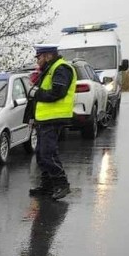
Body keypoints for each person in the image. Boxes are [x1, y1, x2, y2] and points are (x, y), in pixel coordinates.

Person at [27, 44, 75, 200]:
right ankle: (47, 185)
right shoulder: (50, 69)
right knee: (41, 154)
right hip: (45, 118)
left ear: (48, 55)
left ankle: (62, 184)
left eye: (39, 57)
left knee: (48, 154)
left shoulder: (61, 69)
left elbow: (57, 92)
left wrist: (37, 93)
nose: (38, 61)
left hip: (54, 117)